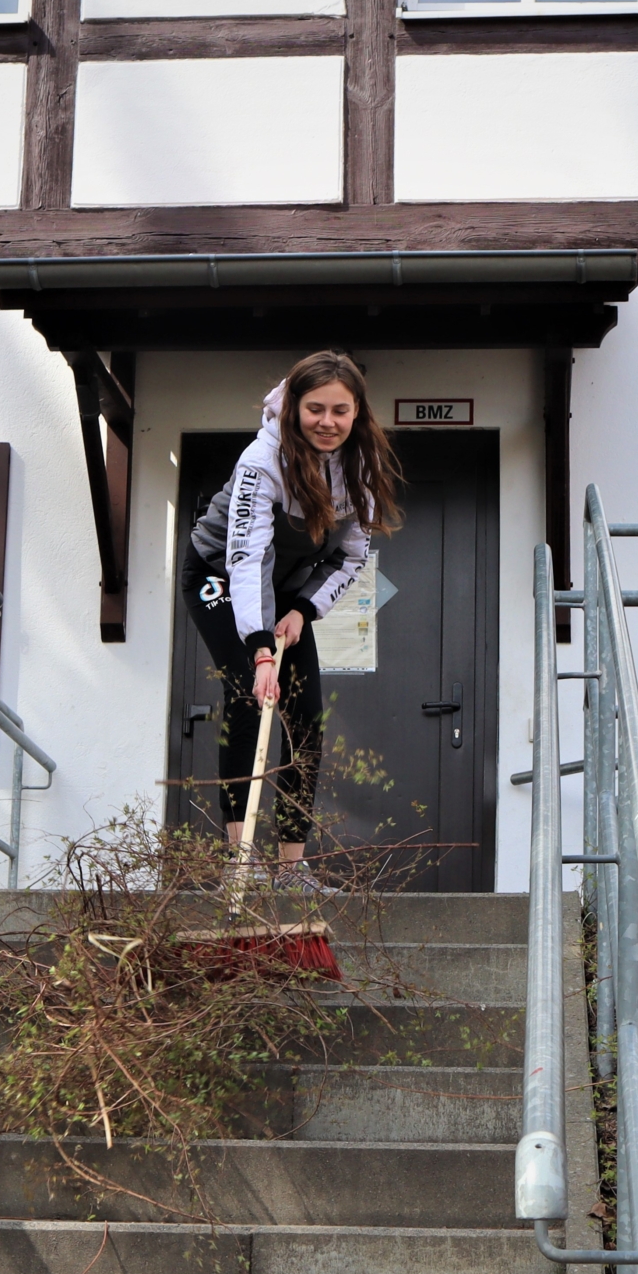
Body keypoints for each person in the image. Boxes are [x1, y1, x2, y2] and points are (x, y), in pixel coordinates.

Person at [182, 350, 401, 883]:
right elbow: (247, 556)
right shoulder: (262, 460)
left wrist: (304, 609)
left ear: (357, 413)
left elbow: (351, 556)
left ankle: (290, 867)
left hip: (284, 592)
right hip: (219, 574)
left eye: (340, 411)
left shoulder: (362, 467)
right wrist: (259, 648)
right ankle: (242, 859)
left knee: (305, 719)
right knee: (249, 697)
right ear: (294, 409)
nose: (327, 422)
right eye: (315, 409)